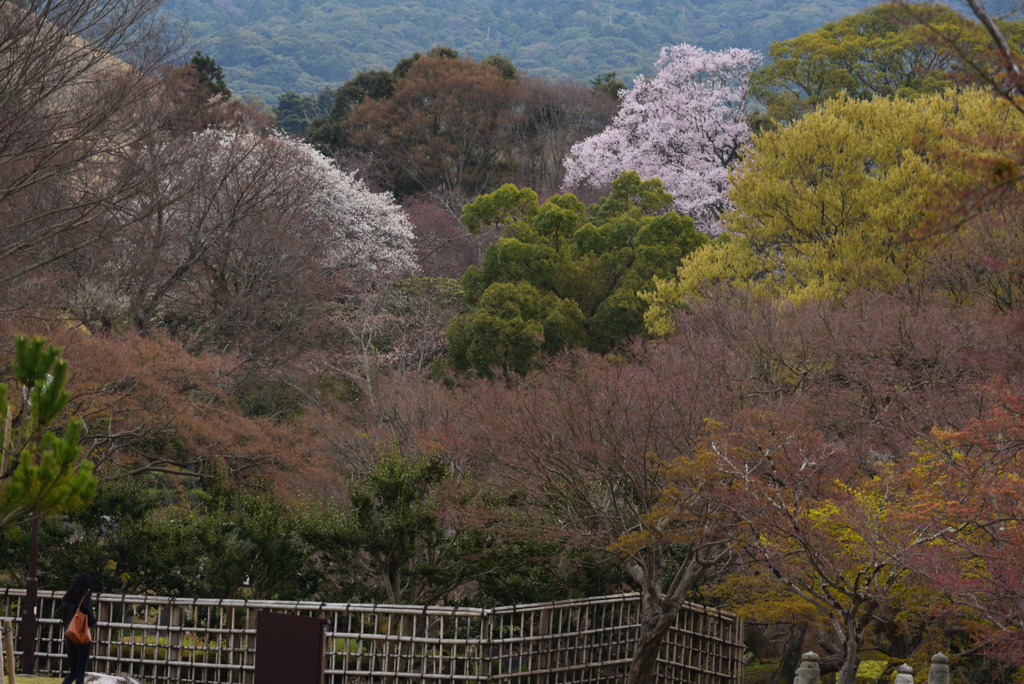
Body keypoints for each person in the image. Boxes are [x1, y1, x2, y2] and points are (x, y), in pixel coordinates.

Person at [61, 573, 97, 684]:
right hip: (82, 637)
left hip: (70, 636)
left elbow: (64, 619)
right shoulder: (85, 600)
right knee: (80, 673)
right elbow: (91, 621)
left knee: (72, 672)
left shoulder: (66, 599)